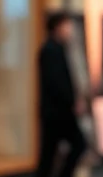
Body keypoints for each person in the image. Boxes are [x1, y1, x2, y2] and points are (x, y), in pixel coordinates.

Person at [36, 12, 88, 177]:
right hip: (57, 112)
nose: (70, 29)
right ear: (57, 27)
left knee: (50, 153)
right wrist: (73, 101)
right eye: (67, 25)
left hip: (58, 111)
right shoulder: (51, 50)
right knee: (75, 145)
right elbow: (57, 83)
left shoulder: (59, 49)